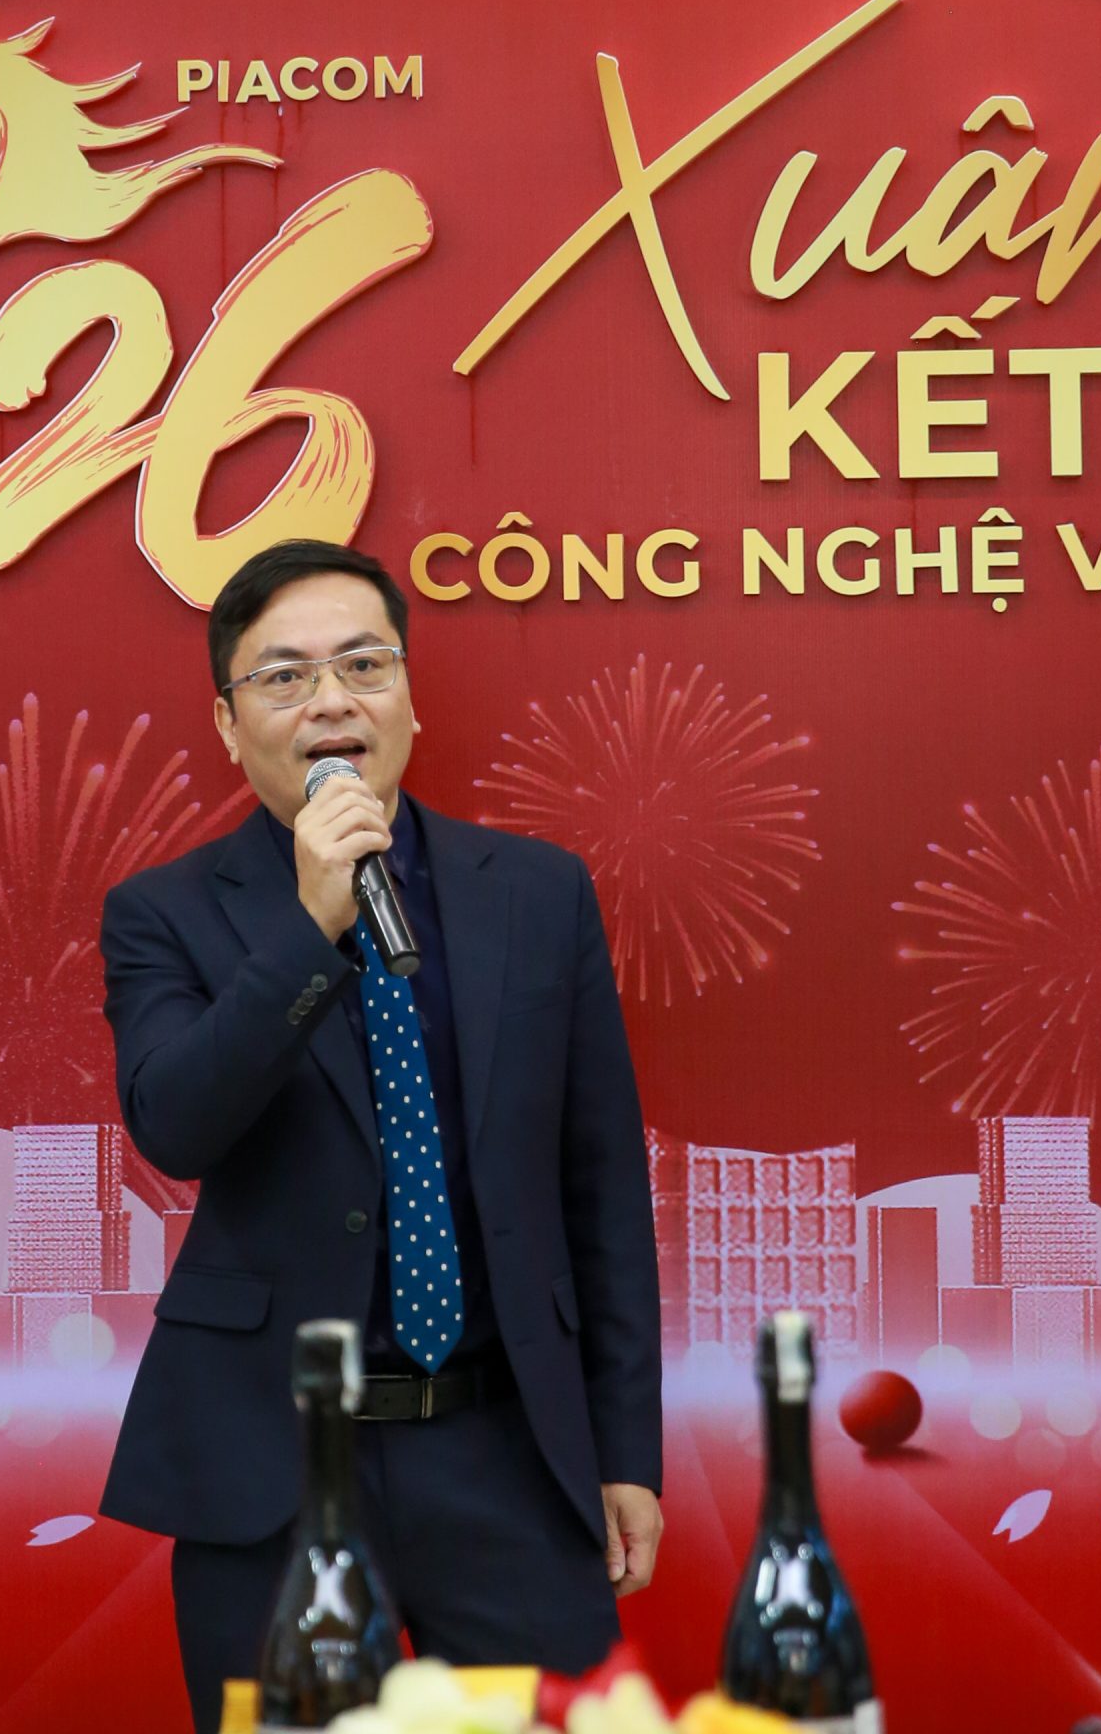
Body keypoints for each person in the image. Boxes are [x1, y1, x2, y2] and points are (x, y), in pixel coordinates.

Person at [96, 538, 664, 1731]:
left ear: (407, 697)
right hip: (272, 1465)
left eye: (363, 665)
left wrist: (624, 1449)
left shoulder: (537, 893)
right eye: (284, 677)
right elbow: (175, 1125)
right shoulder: (164, 913)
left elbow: (600, 1185)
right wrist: (307, 926)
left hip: (505, 1451)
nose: (331, 701)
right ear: (228, 722)